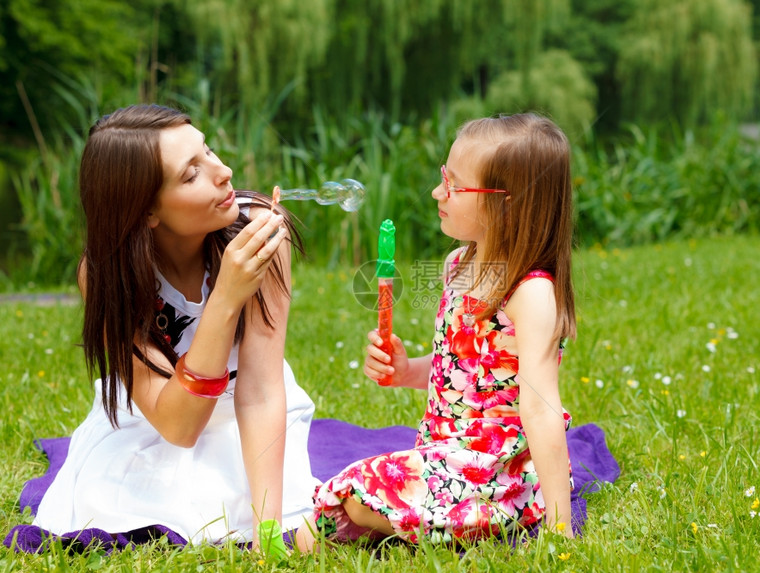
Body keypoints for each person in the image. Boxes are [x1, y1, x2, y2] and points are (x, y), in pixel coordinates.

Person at [32, 104, 318, 553]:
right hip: (162, 417)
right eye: (191, 175)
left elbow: (261, 393)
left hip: (250, 412)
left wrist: (269, 528)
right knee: (118, 502)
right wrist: (225, 297)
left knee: (261, 505)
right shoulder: (108, 273)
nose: (223, 172)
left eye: (208, 150)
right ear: (146, 211)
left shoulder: (258, 231)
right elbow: (177, 427)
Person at [295, 112, 577, 550]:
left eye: (454, 185)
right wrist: (407, 370)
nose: (437, 192)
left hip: (496, 474)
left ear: (508, 202)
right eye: (444, 177)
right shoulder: (456, 266)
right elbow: (459, 372)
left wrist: (561, 528)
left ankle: (489, 512)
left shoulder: (531, 293)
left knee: (352, 497)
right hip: (443, 458)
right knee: (321, 525)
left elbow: (540, 409)